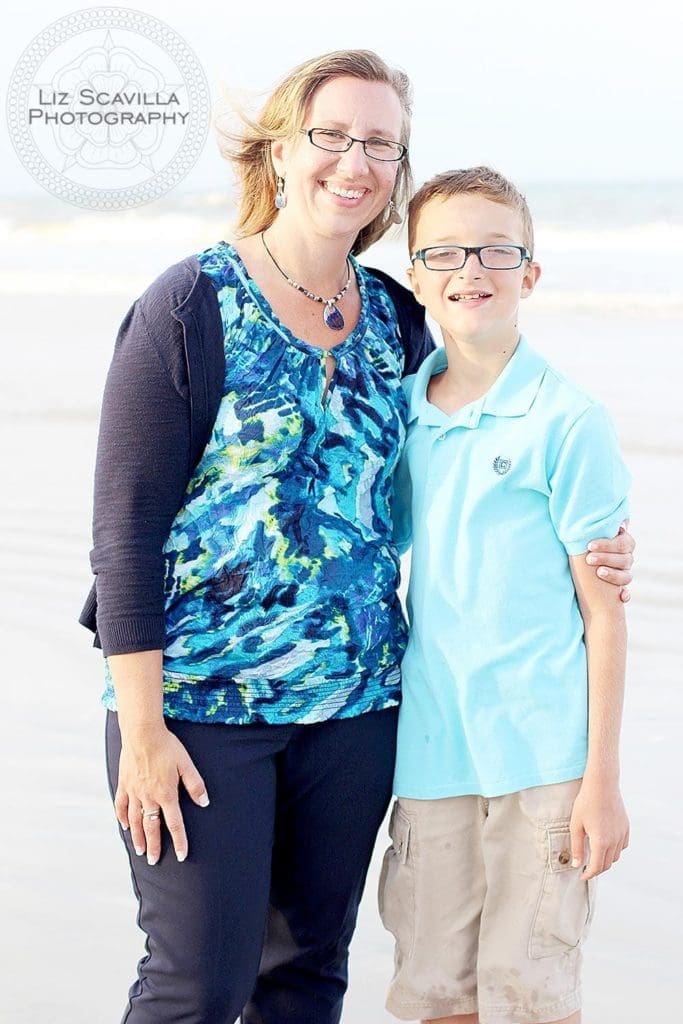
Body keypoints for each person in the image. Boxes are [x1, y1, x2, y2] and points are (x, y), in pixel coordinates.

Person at [78, 49, 634, 1024]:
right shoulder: (190, 304)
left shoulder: (393, 317)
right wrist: (142, 731)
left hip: (357, 712)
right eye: (332, 136)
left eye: (382, 143)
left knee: (305, 977)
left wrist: (587, 539)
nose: (355, 161)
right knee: (193, 985)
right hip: (202, 710)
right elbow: (124, 529)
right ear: (282, 153)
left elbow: (479, 425)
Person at [378, 166, 633, 1024]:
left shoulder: (568, 419)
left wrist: (601, 780)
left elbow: (602, 614)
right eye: (443, 253)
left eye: (495, 250)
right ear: (415, 276)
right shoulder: (400, 411)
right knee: (436, 992)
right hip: (431, 753)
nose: (469, 270)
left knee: (526, 998)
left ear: (529, 273)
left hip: (544, 765)